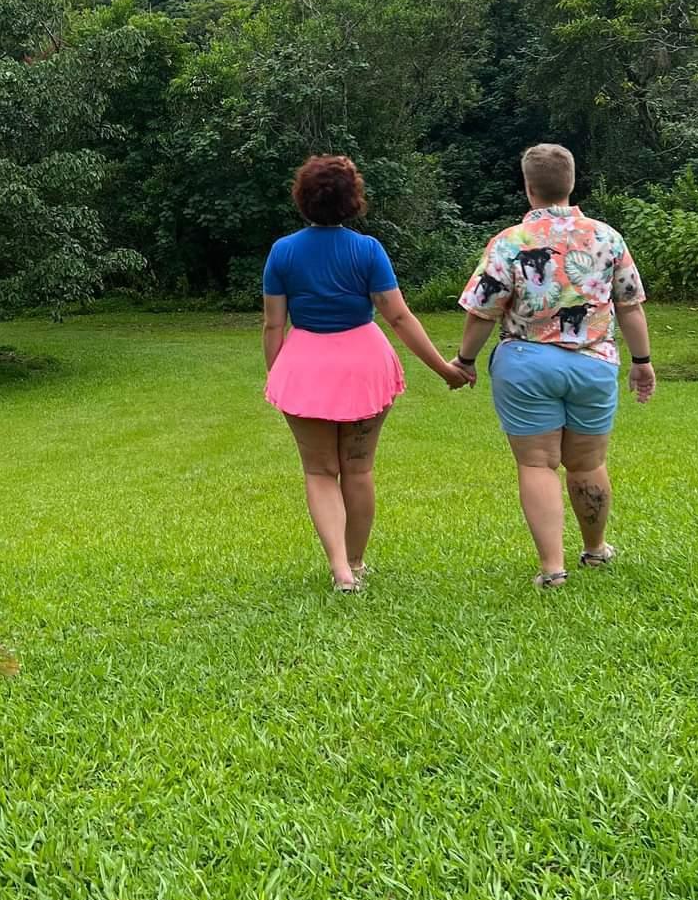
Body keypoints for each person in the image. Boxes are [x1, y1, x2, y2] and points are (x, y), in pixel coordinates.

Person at [263, 154, 474, 592]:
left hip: (305, 368)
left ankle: (339, 569)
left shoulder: (282, 251)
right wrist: (444, 369)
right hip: (365, 364)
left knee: (320, 472)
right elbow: (399, 318)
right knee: (357, 471)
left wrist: (278, 377)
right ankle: (356, 564)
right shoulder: (367, 249)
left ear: (302, 199)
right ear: (353, 201)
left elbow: (273, 325)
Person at [452, 143, 655, 588]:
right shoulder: (607, 238)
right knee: (586, 463)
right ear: (572, 183)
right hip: (593, 363)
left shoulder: (509, 243)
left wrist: (464, 360)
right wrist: (641, 361)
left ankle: (551, 568)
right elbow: (631, 306)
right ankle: (595, 551)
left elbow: (481, 310)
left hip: (525, 364)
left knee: (538, 465)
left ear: (528, 188)